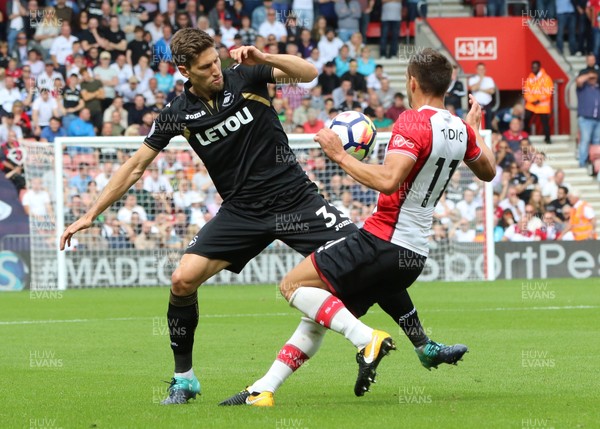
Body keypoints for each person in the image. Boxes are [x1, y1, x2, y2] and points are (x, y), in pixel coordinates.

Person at [220, 48, 495, 407]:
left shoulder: (413, 121)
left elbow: (388, 179)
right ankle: (263, 389)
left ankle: (367, 339)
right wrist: (475, 132)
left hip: (383, 242)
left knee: (292, 285)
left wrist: (339, 155)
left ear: (411, 82)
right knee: (317, 315)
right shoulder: (460, 128)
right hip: (413, 255)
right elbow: (488, 171)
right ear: (449, 84)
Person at [523, 60, 553, 144]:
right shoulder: (530, 78)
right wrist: (532, 100)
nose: (533, 69)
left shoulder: (546, 78)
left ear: (539, 67)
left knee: (545, 122)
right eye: (532, 67)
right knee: (526, 119)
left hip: (542, 104)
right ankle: (525, 137)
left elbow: (548, 91)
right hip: (531, 104)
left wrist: (539, 100)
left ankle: (548, 138)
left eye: (535, 67)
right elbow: (526, 91)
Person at [575, 68, 600, 167]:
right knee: (585, 140)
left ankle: (594, 163)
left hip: (598, 119)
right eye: (591, 77)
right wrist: (589, 75)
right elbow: (579, 81)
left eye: (594, 77)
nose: (592, 79)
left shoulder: (598, 88)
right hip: (586, 119)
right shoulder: (583, 88)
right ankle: (582, 162)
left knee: (597, 142)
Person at [467, 62, 496, 129]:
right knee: (476, 123)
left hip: (487, 105)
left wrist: (480, 89)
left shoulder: (489, 79)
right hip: (476, 105)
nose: (481, 71)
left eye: (482, 69)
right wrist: (481, 79)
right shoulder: (472, 79)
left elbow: (491, 91)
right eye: (479, 69)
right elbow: (473, 88)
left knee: (488, 124)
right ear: (476, 70)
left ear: (485, 70)